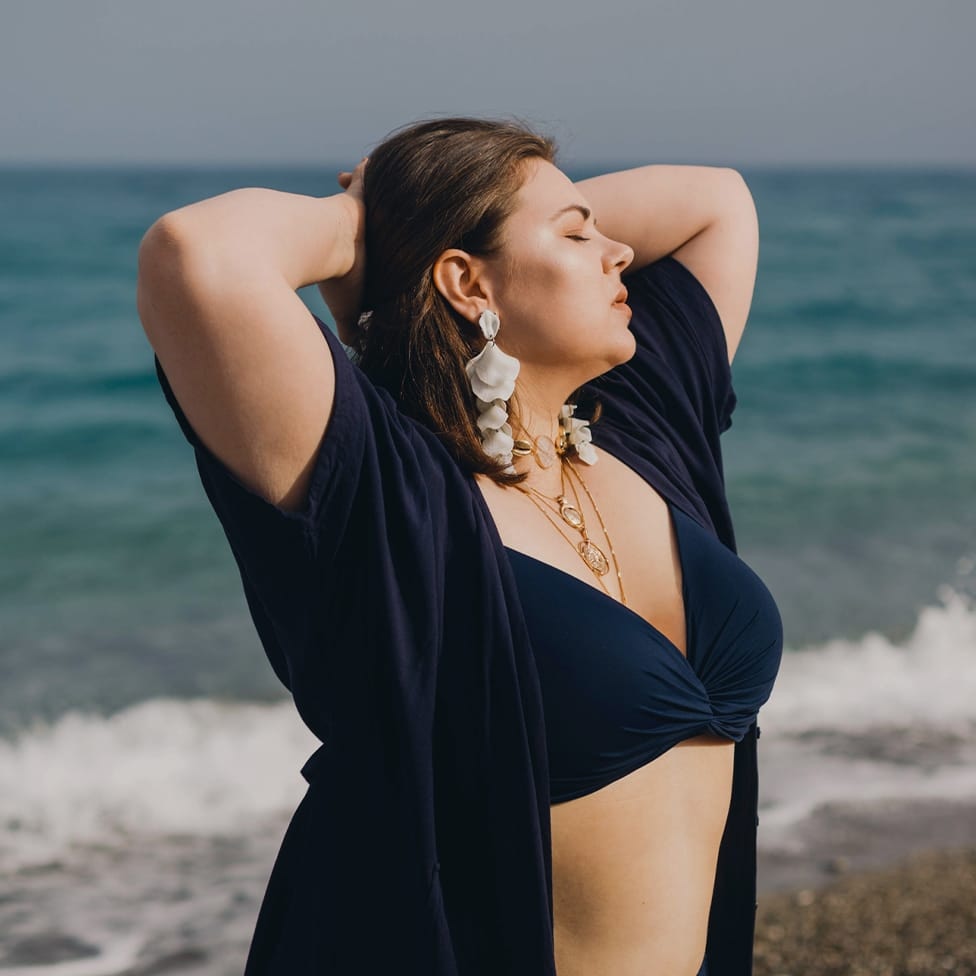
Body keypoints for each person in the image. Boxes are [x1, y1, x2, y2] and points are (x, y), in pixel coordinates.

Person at [137, 117, 783, 976]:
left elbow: (716, 202)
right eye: (579, 233)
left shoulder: (643, 427)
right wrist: (372, 222)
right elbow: (197, 252)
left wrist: (440, 228)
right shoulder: (393, 499)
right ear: (466, 282)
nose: (619, 250)